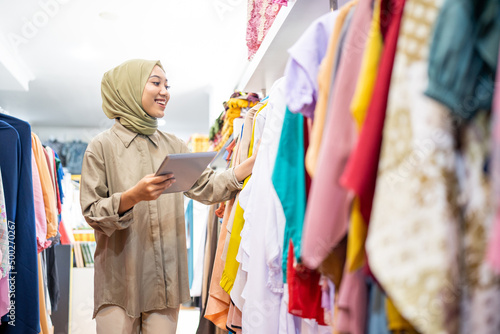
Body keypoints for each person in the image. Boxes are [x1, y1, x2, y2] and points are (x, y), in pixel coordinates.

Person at [80, 59, 256, 333]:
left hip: (165, 282)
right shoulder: (101, 147)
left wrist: (249, 164)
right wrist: (132, 197)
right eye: (155, 82)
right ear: (128, 88)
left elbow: (207, 187)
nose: (165, 92)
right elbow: (92, 212)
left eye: (167, 85)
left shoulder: (174, 144)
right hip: (120, 283)